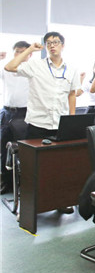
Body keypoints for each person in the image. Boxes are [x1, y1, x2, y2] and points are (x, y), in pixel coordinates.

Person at [4, 32, 80, 139]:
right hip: (37, 124)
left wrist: (72, 119)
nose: (52, 45)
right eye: (48, 43)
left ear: (63, 45)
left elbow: (72, 94)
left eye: (55, 42)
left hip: (60, 123)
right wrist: (29, 50)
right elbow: (9, 67)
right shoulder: (35, 65)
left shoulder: (72, 70)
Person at [0, 41, 30, 194]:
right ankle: (6, 182)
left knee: (24, 150)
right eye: (17, 51)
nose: (20, 54)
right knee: (4, 148)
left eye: (23, 51)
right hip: (7, 112)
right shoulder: (6, 68)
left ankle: (22, 184)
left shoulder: (32, 70)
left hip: (25, 113)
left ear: (29, 54)